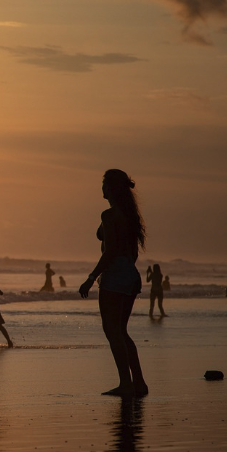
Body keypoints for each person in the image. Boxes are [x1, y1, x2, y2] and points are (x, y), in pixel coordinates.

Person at [79, 169, 148, 398]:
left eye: (104, 183)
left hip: (116, 274)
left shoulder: (110, 216)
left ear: (110, 188)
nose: (101, 188)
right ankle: (138, 382)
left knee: (112, 332)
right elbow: (131, 252)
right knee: (122, 331)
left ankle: (125, 384)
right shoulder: (129, 216)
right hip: (130, 272)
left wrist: (91, 278)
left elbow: (109, 252)